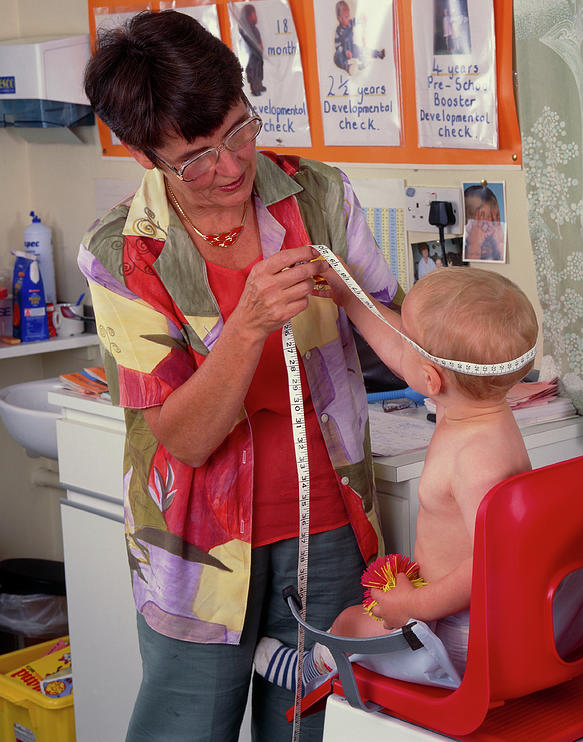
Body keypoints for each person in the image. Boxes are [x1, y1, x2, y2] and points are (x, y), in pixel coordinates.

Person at [79, 10, 401, 742]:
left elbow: (390, 323)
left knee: (316, 728)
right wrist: (249, 322)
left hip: (328, 527)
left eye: (238, 131)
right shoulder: (122, 252)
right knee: (187, 729)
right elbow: (184, 439)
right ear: (144, 157)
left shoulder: (317, 195)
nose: (230, 167)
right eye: (194, 158)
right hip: (196, 548)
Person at [254, 266, 539, 690]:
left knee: (350, 621)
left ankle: (309, 670)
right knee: (361, 617)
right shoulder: (481, 414)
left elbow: (491, 561)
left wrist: (415, 604)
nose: (398, 342)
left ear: (429, 380)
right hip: (458, 614)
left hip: (458, 634)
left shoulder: (476, 460)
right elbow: (394, 346)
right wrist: (348, 296)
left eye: (409, 341)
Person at [333, 0, 385, 74]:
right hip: (344, 52)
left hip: (352, 48)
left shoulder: (350, 23)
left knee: (362, 50)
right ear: (340, 19)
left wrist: (362, 19)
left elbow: (356, 20)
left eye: (349, 16)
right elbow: (337, 46)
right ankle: (348, 67)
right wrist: (345, 51)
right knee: (337, 56)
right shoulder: (338, 32)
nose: (348, 18)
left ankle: (377, 54)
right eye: (346, 17)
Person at [463, 184, 503, 261]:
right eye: (481, 224)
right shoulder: (464, 246)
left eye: (493, 222)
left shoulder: (498, 241)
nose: (489, 231)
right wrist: (474, 244)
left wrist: (500, 243)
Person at [239, 4, 265, 97]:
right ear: (248, 16)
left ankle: (260, 84)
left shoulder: (254, 28)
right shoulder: (245, 29)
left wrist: (260, 45)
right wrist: (257, 46)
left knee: (259, 68)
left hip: (258, 54)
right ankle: (254, 88)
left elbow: (258, 38)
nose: (256, 17)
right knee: (253, 70)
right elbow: (249, 41)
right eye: (254, 15)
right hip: (252, 54)